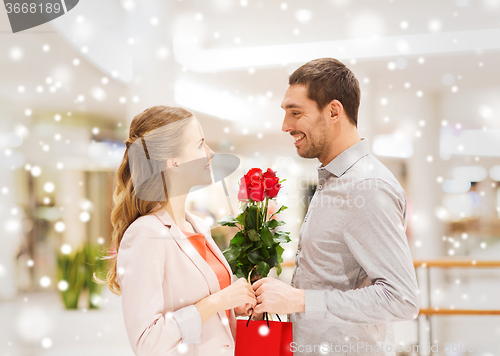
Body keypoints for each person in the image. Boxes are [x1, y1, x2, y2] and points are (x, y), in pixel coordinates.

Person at [251, 58, 420, 355]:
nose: (285, 126)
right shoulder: (335, 179)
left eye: (296, 113)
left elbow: (401, 299)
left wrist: (300, 300)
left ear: (333, 111)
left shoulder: (367, 187)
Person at [95, 105, 256, 356]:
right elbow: (148, 343)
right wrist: (218, 302)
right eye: (200, 144)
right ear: (173, 162)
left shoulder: (197, 226)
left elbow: (202, 312)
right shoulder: (145, 234)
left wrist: (232, 306)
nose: (210, 153)